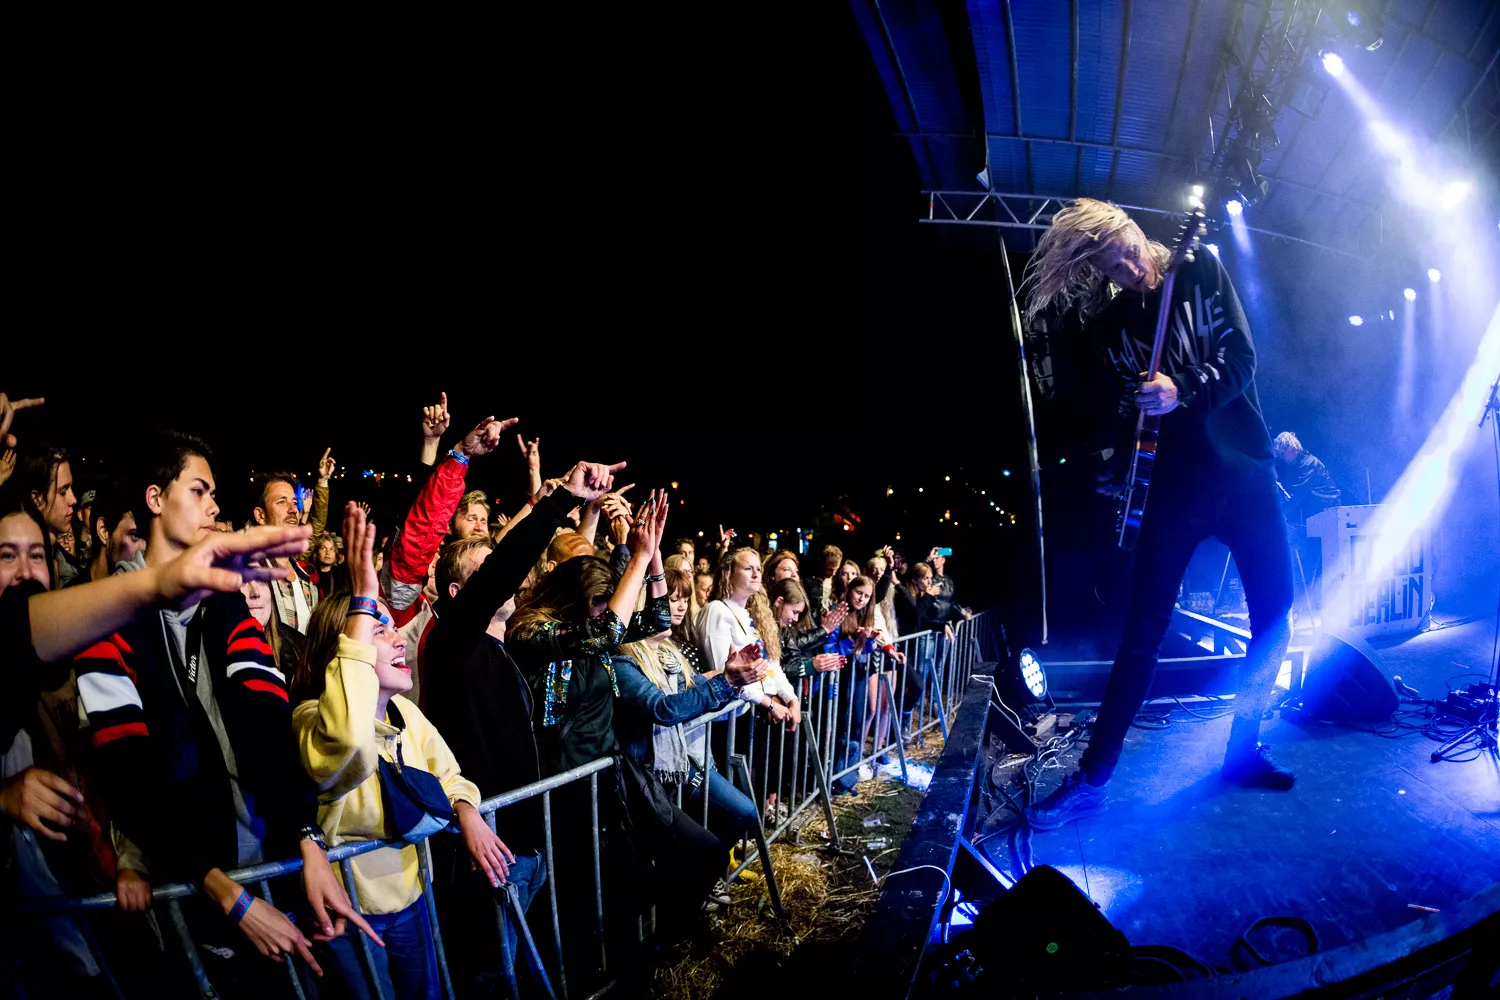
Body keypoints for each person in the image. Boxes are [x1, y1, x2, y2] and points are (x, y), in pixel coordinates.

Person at [1021, 197, 1296, 831]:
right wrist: (1126, 433)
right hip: (1174, 490)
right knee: (1143, 632)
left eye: (1125, 248)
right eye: (1109, 264)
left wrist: (1183, 388)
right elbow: (1120, 410)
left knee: (1275, 616)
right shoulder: (1111, 325)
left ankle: (1243, 748)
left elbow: (1242, 359)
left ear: (1134, 228)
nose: (1128, 266)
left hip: (1245, 476)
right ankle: (1092, 779)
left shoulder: (1198, 270)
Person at [73, 431, 379, 994]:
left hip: (270, 871)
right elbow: (129, 774)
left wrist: (307, 838)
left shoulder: (227, 604)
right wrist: (225, 893)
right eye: (199, 490)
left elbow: (268, 722)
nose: (214, 506)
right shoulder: (104, 619)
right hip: (195, 896)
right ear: (155, 498)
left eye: (214, 494)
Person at [292, 505, 499, 1000]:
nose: (397, 639)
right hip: (347, 911)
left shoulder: (405, 712)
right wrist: (363, 597)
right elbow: (350, 744)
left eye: (390, 626)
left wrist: (466, 809)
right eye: (377, 629)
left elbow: (449, 773)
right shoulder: (312, 717)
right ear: (344, 649)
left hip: (411, 899)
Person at [614, 567, 766, 911]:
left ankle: (694, 892)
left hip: (678, 767)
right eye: (666, 600)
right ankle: (678, 917)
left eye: (680, 599)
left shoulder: (668, 653)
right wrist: (726, 681)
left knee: (721, 832)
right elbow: (665, 708)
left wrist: (730, 677)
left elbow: (694, 689)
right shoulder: (624, 660)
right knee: (692, 852)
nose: (675, 608)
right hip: (644, 778)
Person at [252, 470, 322, 633]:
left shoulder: (307, 577)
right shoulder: (251, 578)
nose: (293, 510)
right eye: (282, 502)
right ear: (260, 515)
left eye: (294, 502)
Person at [18, 444, 83, 589]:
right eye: (62, 492)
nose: (73, 500)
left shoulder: (55, 557)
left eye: (71, 488)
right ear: (38, 499)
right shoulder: (25, 568)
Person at [81, 481, 145, 584]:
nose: (143, 548)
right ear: (104, 531)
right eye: (135, 535)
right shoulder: (71, 592)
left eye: (147, 537)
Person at [801, 544, 843, 617]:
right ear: (822, 564)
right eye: (829, 569)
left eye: (836, 569)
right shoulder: (809, 582)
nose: (833, 573)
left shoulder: (838, 581)